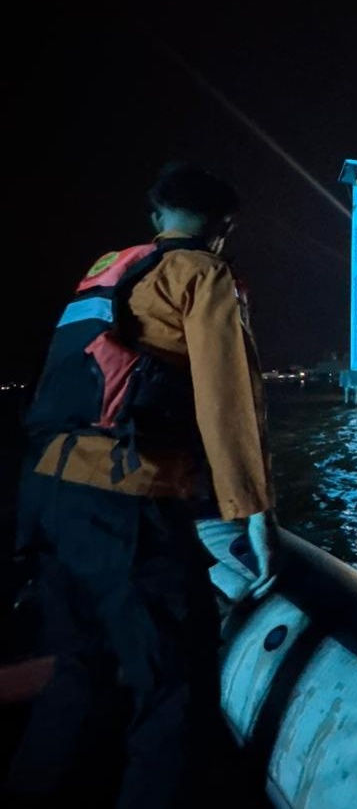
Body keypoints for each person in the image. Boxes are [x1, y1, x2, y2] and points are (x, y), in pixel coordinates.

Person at [3, 161, 278, 808]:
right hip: (126, 502)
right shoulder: (204, 273)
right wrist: (254, 512)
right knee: (176, 690)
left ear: (156, 219)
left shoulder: (112, 266)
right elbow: (229, 399)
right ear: (223, 227)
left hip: (49, 496)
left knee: (78, 673)